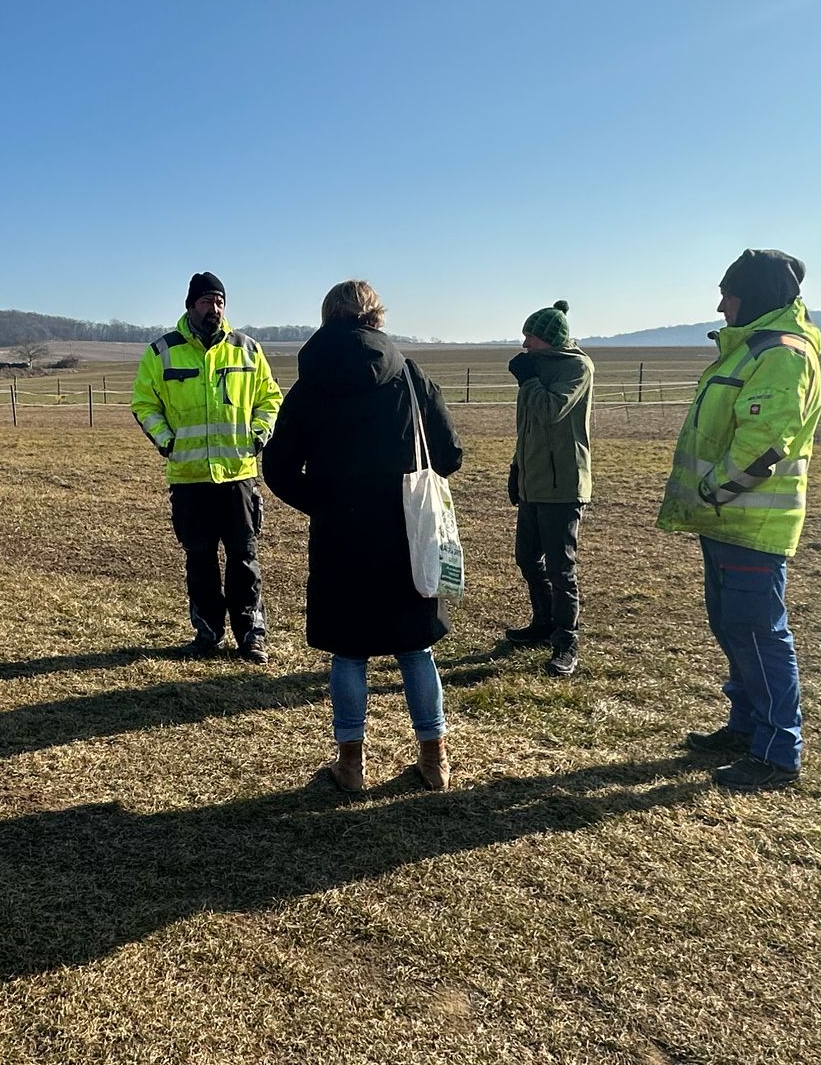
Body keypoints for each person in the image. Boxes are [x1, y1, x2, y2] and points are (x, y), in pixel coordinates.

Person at [262, 280, 465, 791]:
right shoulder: (409, 374)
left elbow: (279, 467)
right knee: (416, 647)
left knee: (347, 651)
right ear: (376, 316)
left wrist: (325, 504)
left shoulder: (309, 384)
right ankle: (434, 759)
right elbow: (449, 455)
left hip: (339, 538)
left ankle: (350, 766)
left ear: (328, 318)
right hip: (406, 531)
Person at [657, 250, 821, 792]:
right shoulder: (752, 348)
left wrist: (714, 490)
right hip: (726, 521)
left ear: (752, 295)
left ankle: (778, 751)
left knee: (758, 633)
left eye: (728, 292)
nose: (720, 303)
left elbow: (762, 445)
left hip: (751, 523)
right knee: (732, 626)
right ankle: (746, 726)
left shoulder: (781, 353)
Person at [130, 271, 284, 662]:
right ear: (190, 305)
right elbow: (144, 404)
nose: (214, 308)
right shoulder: (162, 352)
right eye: (205, 301)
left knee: (244, 558)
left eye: (219, 301)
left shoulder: (247, 349)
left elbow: (270, 399)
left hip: (238, 475)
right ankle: (207, 633)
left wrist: (258, 435)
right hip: (189, 477)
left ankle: (251, 635)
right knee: (200, 560)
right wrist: (167, 441)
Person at [504, 299, 595, 677]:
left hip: (562, 485)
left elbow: (549, 410)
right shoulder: (537, 369)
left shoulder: (576, 368)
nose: (524, 344)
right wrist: (516, 468)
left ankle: (566, 641)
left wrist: (528, 380)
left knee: (561, 568)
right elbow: (527, 428)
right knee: (527, 557)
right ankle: (543, 622)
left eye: (531, 337)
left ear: (550, 338)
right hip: (534, 481)